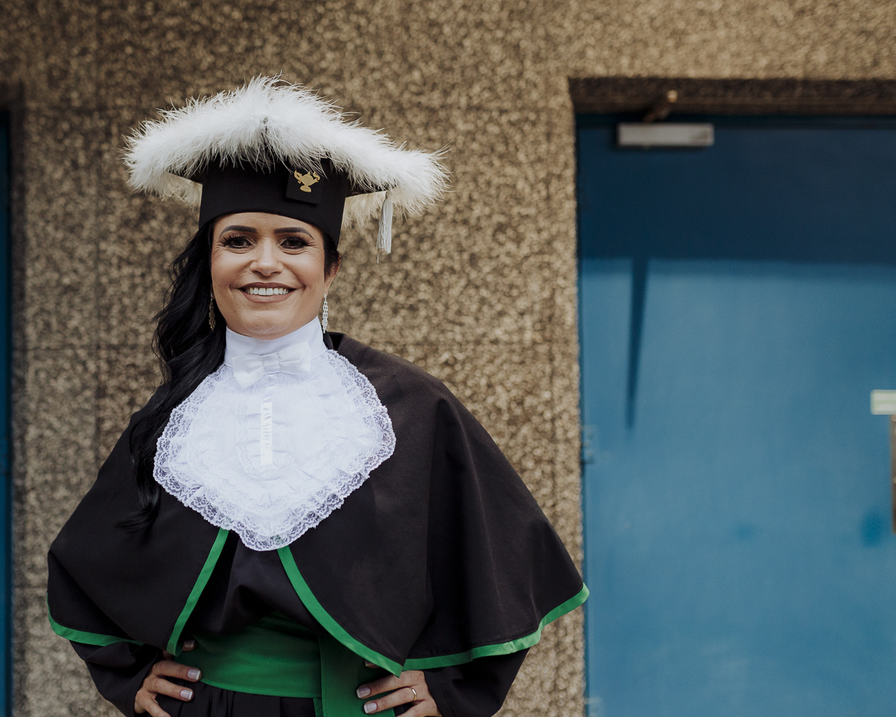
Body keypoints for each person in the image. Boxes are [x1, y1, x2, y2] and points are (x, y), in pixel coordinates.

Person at [47, 77, 587, 717]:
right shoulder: (175, 414)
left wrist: (450, 689)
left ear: (330, 268)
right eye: (238, 240)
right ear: (210, 263)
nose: (265, 263)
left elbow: (505, 561)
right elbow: (86, 564)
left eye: (294, 241)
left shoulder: (409, 407)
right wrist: (128, 676)